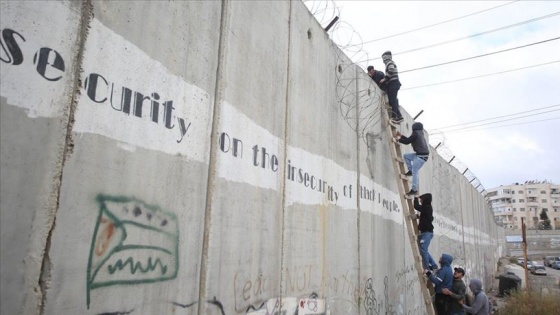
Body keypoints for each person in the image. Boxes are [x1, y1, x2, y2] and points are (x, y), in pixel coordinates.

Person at [395, 122, 429, 196]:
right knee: (406, 156)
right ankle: (410, 171)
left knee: (415, 171)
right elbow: (409, 139)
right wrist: (401, 136)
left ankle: (414, 190)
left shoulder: (416, 134)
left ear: (414, 128)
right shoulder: (419, 134)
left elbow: (407, 142)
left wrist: (399, 139)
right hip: (420, 155)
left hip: (421, 156)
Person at [414, 193, 438, 270]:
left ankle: (426, 268)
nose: (420, 200)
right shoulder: (427, 208)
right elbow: (429, 218)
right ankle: (434, 265)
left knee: (423, 249)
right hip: (424, 232)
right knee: (424, 250)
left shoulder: (427, 207)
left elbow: (416, 206)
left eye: (421, 199)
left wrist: (415, 198)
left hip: (427, 233)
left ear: (425, 199)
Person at [379, 51, 403, 124]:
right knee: (393, 100)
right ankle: (399, 116)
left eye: (384, 59)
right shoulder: (389, 63)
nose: (383, 61)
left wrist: (385, 79)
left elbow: (391, 70)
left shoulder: (390, 63)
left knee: (393, 100)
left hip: (394, 83)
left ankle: (395, 116)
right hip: (393, 83)